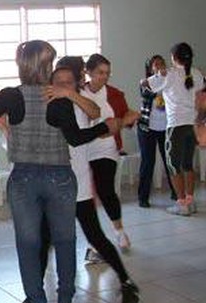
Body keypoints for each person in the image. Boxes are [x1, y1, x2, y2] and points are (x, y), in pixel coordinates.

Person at [0, 41, 121, 303]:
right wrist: (105, 128)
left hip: (24, 179)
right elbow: (75, 138)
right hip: (60, 177)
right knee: (65, 240)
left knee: (28, 244)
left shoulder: (10, 96)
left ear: (22, 65)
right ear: (45, 66)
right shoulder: (57, 97)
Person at [21, 62, 139, 303]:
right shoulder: (45, 100)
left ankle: (126, 282)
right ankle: (34, 293)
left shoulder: (83, 99)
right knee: (44, 239)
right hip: (51, 182)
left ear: (77, 82)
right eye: (58, 81)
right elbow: (70, 135)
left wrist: (71, 94)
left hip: (78, 181)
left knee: (95, 234)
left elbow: (96, 113)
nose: (63, 85)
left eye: (68, 81)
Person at [82, 54, 139, 251]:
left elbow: (130, 114)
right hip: (82, 150)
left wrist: (118, 125)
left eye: (107, 73)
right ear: (88, 72)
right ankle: (94, 240)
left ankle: (119, 230)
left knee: (105, 188)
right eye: (100, 73)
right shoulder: (79, 92)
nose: (104, 77)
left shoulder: (114, 94)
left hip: (106, 150)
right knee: (85, 196)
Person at [144, 42, 204, 216]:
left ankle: (181, 203)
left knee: (173, 165)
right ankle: (190, 201)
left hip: (175, 125)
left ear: (173, 58)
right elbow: (200, 94)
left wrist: (157, 74)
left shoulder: (169, 74)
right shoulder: (197, 74)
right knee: (187, 164)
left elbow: (146, 85)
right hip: (191, 125)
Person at [137, 55, 177, 208]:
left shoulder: (170, 81)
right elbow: (147, 93)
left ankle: (176, 192)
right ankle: (143, 198)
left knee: (170, 162)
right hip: (146, 128)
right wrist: (159, 82)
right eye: (156, 64)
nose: (160, 66)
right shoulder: (145, 82)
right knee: (148, 162)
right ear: (150, 68)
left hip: (166, 127)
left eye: (162, 64)